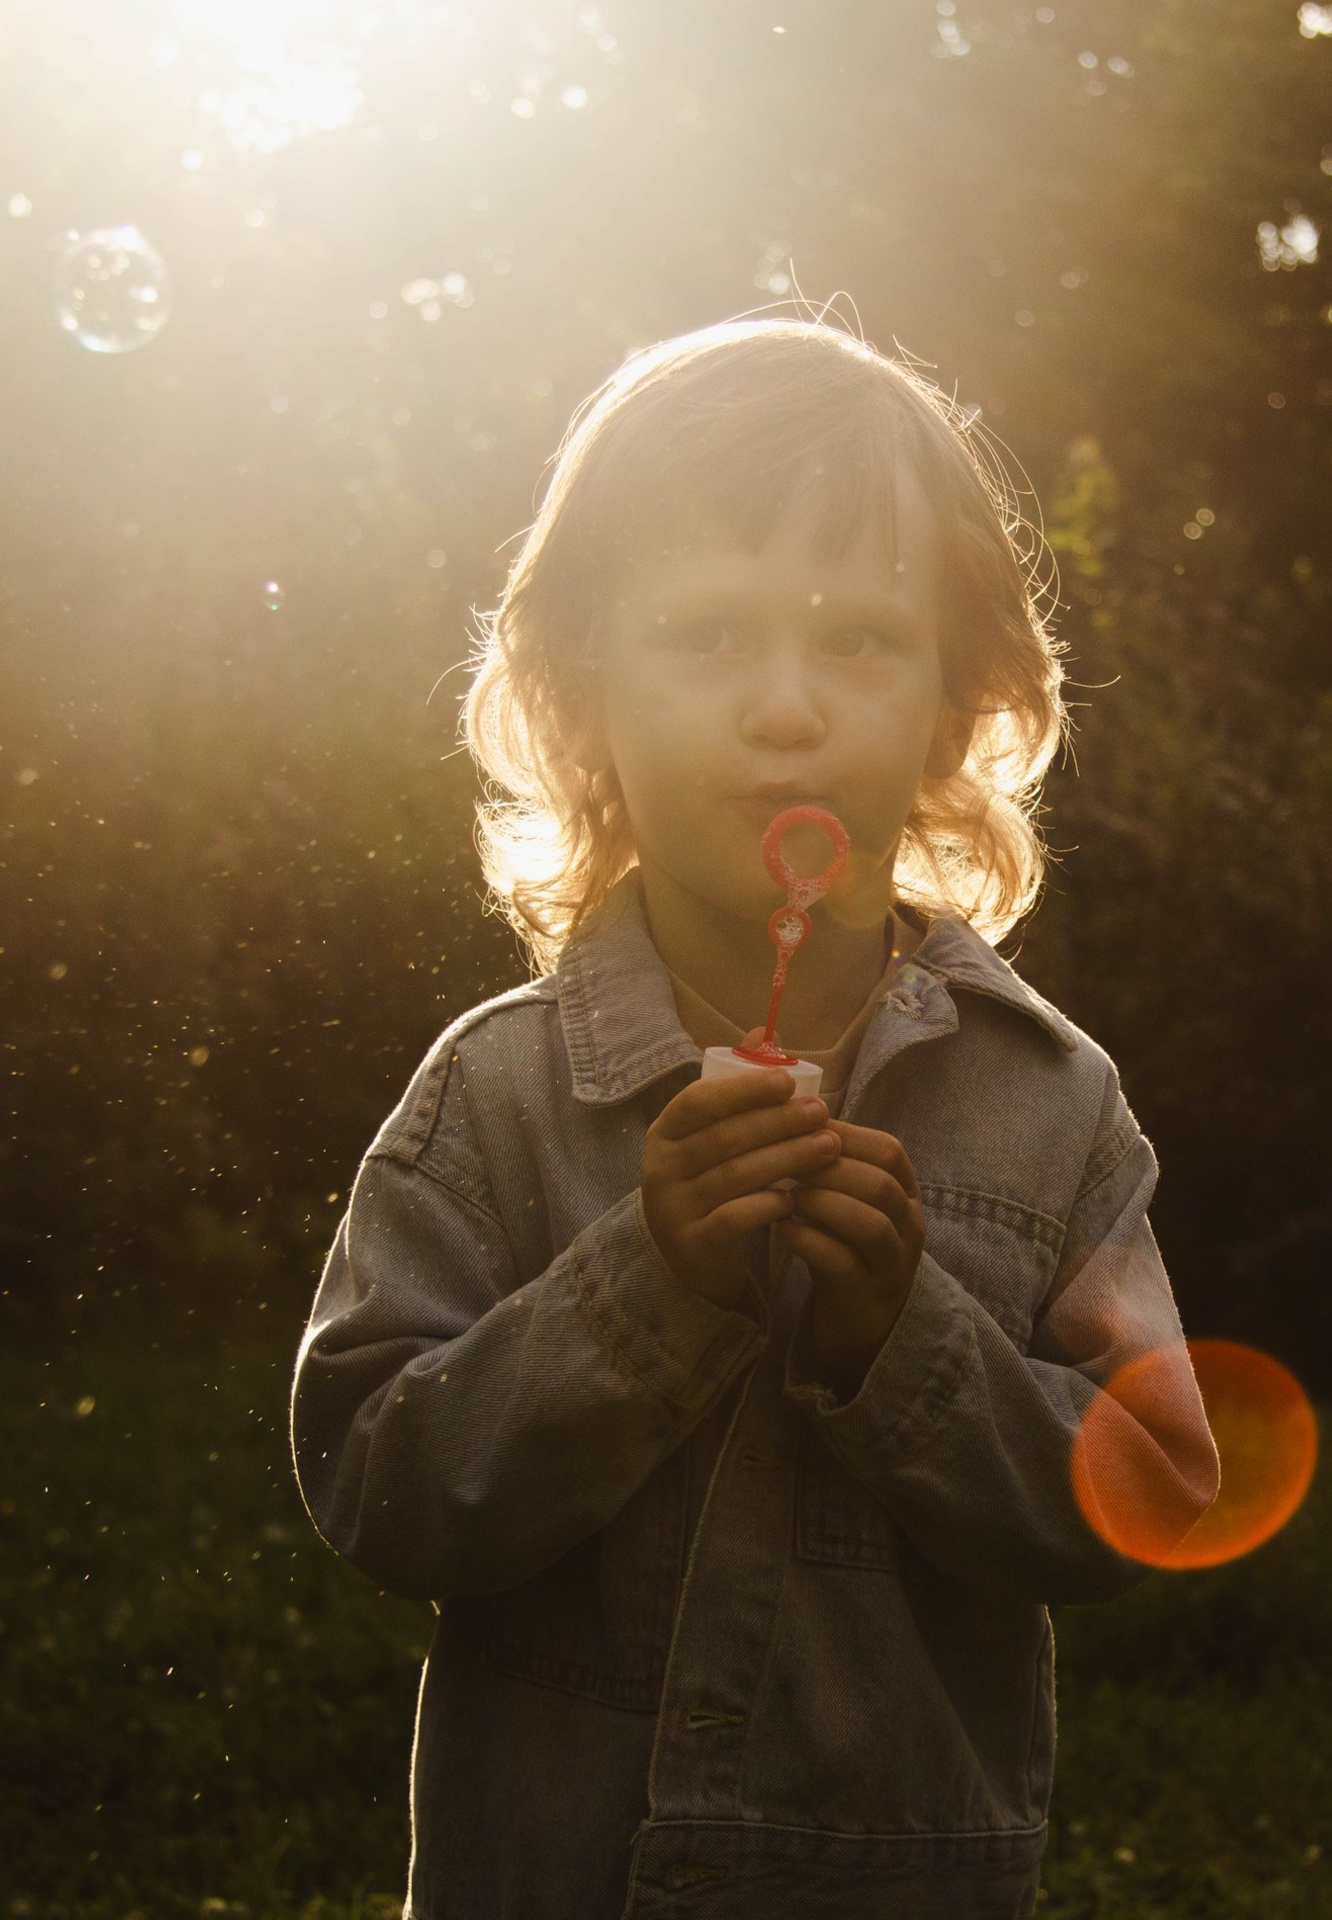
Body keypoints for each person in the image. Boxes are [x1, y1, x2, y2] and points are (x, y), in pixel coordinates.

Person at [289, 315, 1220, 1920]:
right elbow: (377, 1485)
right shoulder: (498, 1097)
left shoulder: (1049, 1107)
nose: (784, 707)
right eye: (706, 634)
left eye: (858, 641)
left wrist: (900, 1342)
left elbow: (1151, 1500)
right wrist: (641, 1294)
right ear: (585, 701)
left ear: (952, 707)